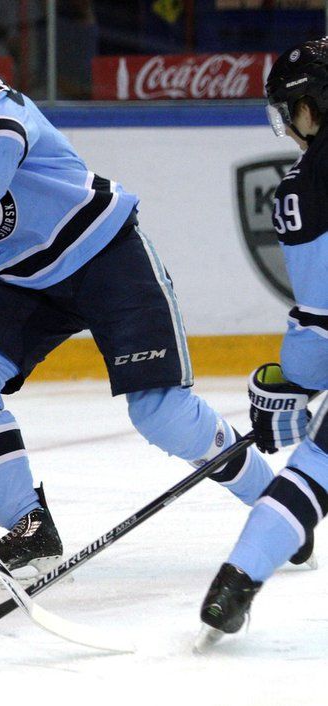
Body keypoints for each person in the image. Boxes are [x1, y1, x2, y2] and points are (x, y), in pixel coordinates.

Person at [0, 38, 276, 575]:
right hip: (23, 282)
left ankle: (272, 502)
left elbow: (3, 142)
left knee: (161, 414)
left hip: (101, 248)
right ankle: (29, 525)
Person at [196, 39, 328, 648]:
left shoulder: (304, 186)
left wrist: (291, 384)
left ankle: (237, 580)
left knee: (318, 465)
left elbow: (320, 320)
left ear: (309, 108)